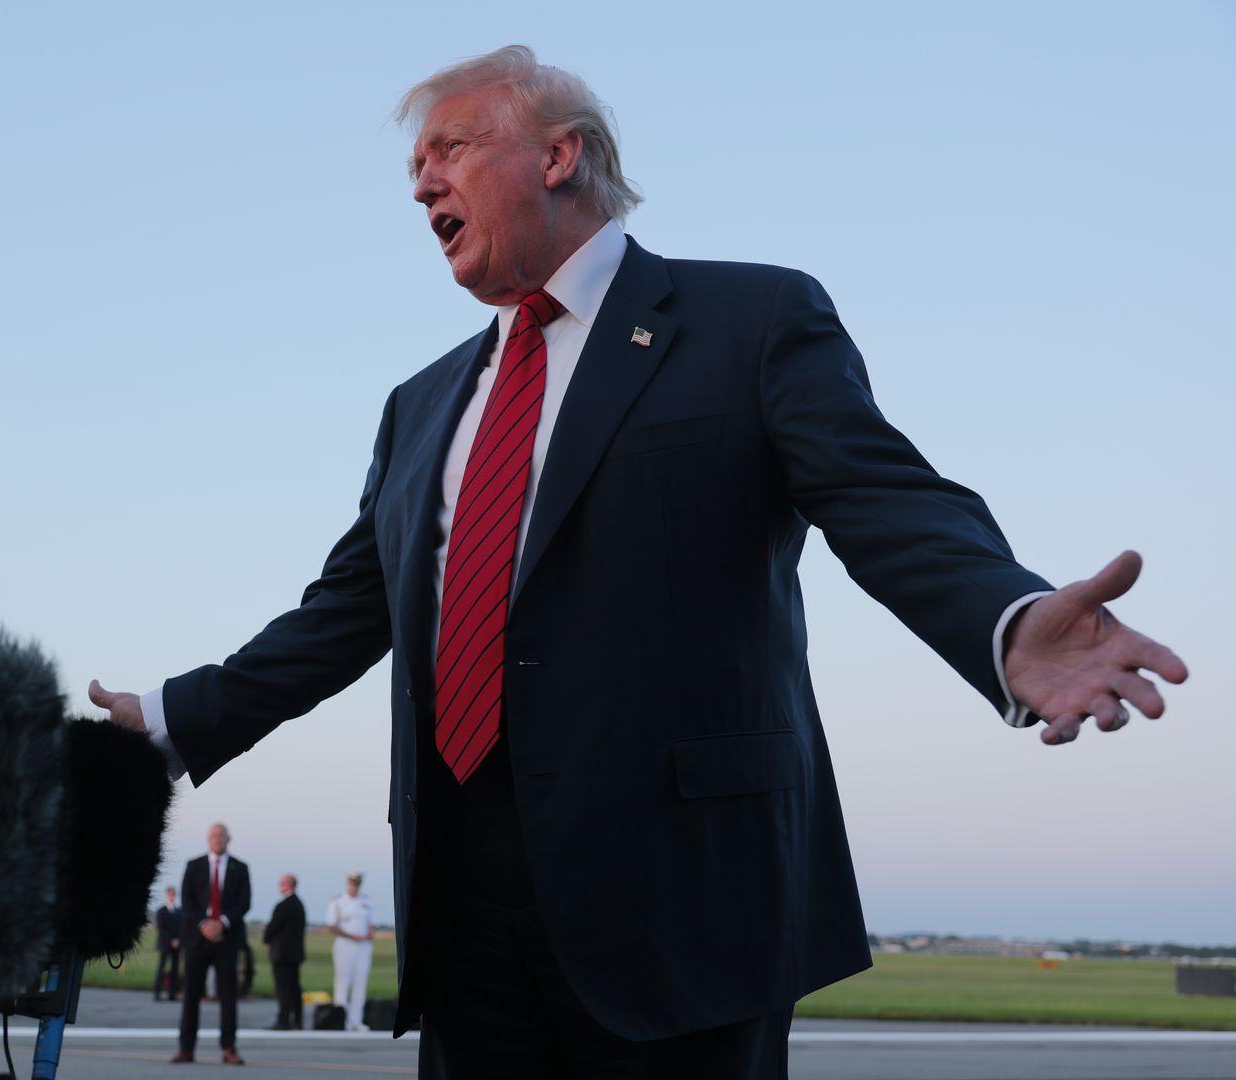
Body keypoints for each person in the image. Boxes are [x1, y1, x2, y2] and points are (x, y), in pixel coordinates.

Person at [87, 45, 1190, 1077]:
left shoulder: (749, 318)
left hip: (688, 907)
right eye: (413, 166)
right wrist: (176, 716)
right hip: (465, 909)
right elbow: (347, 609)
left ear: (558, 155)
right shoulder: (419, 406)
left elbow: (881, 497)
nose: (420, 183)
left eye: (449, 149)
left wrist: (1006, 620)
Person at [171, 822, 250, 1066]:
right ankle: (186, 1048)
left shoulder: (240, 868)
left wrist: (222, 922)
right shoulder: (194, 866)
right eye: (213, 835)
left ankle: (228, 1048)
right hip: (197, 939)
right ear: (208, 839)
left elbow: (244, 903)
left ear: (229, 839)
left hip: (227, 940)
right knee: (192, 994)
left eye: (221, 835)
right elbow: (187, 900)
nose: (217, 839)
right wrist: (205, 923)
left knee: (228, 996)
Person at [326, 872, 374, 1030]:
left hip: (363, 946)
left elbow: (372, 923)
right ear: (348, 884)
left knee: (360, 982)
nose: (355, 887)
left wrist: (369, 933)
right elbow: (332, 926)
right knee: (342, 982)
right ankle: (342, 1020)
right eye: (353, 884)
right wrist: (352, 936)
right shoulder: (338, 901)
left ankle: (357, 1020)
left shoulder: (366, 900)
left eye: (357, 884)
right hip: (345, 945)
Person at [263, 873, 306, 1031]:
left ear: (289, 885)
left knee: (283, 988)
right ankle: (297, 1020)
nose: (279, 885)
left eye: (282, 883)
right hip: (295, 954)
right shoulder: (299, 904)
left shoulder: (283, 905)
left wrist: (266, 940)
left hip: (282, 954)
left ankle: (283, 1020)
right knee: (294, 987)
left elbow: (272, 927)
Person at [153, 885, 182, 1001]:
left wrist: (178, 939)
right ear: (167, 895)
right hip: (165, 944)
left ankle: (172, 994)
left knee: (175, 969)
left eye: (173, 894)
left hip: (177, 945)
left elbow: (181, 927)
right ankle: (157, 993)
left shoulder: (179, 912)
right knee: (162, 968)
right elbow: (161, 929)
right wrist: (171, 940)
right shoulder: (161, 911)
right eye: (170, 894)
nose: (171, 897)